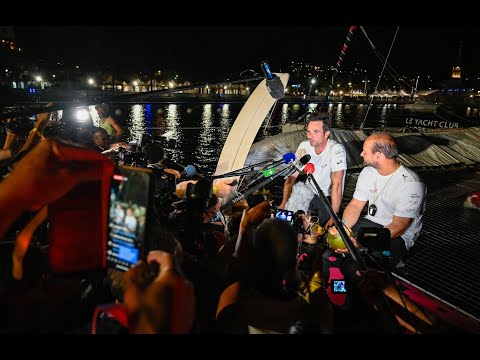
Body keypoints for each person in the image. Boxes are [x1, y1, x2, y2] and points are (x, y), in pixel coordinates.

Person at [337, 132, 427, 269]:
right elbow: (355, 206)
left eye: (365, 151)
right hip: (371, 223)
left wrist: (359, 242)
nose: (361, 154)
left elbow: (399, 226)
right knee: (335, 248)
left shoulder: (411, 184)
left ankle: (397, 258)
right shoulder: (367, 172)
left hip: (397, 234)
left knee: (364, 263)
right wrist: (344, 230)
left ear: (378, 155)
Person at [279, 110, 347, 228]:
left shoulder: (336, 150)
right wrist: (284, 202)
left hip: (327, 197)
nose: (310, 136)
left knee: (319, 231)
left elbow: (337, 185)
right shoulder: (304, 147)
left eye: (315, 132)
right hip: (307, 191)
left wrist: (334, 215)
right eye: (309, 132)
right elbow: (292, 176)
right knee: (289, 224)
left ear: (326, 134)